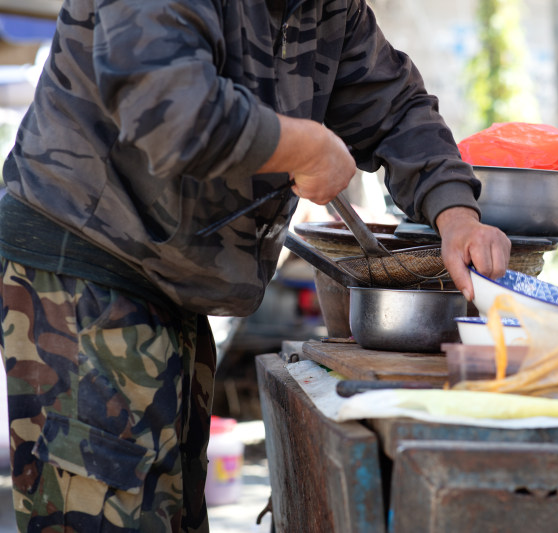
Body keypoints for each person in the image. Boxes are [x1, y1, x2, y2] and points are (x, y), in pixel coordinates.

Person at [0, 1, 511, 531]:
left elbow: (396, 107)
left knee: (170, 514)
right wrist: (306, 147)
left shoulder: (330, 8)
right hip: (86, 265)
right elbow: (168, 106)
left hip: (177, 281)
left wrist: (455, 215)